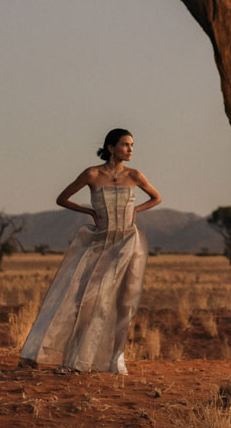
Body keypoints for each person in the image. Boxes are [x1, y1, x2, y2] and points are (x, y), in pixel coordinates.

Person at [19, 128, 161, 374]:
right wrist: (90, 211)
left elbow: (156, 198)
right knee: (87, 299)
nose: (130, 149)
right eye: (125, 144)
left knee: (124, 302)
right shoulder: (92, 174)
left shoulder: (135, 175)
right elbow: (62, 198)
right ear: (110, 147)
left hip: (128, 242)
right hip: (101, 242)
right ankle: (75, 359)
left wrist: (136, 211)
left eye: (132, 145)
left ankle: (115, 359)